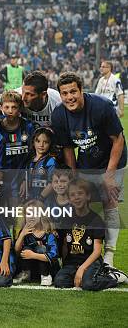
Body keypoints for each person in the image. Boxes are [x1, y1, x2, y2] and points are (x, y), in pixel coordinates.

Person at [51, 71, 126, 267]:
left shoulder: (102, 107)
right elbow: (68, 149)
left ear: (82, 90)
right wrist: (74, 177)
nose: (69, 97)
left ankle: (109, 256)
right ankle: (83, 253)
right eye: (65, 93)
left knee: (110, 202)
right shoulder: (59, 114)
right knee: (80, 202)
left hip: (113, 159)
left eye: (73, 92)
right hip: (87, 161)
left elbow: (118, 140)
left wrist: (110, 175)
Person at [54, 179, 126, 290]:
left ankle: (113, 276)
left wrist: (82, 268)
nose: (76, 197)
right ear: (69, 199)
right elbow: (64, 245)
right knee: (59, 281)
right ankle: (82, 276)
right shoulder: (66, 218)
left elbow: (97, 251)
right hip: (73, 262)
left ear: (88, 196)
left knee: (89, 284)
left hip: (91, 261)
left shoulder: (96, 220)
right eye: (72, 195)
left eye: (80, 193)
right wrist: (66, 266)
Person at [0, 90, 34, 205]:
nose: (10, 111)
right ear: (1, 107)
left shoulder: (28, 127)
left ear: (20, 108)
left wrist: (26, 179)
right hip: (0, 179)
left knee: (19, 215)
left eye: (14, 107)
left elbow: (34, 156)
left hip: (22, 178)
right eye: (6, 107)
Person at [14, 200, 58, 286]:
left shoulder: (49, 234)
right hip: (33, 269)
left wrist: (33, 255)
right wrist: (22, 234)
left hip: (48, 268)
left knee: (41, 248)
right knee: (26, 248)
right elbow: (17, 250)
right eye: (28, 214)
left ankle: (46, 276)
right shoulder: (24, 232)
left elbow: (54, 255)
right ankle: (26, 274)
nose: (31, 217)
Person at [22, 127, 57, 201]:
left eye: (46, 142)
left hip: (44, 201)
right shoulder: (29, 161)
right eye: (38, 141)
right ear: (33, 142)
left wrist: (40, 198)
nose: (41, 145)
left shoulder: (50, 161)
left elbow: (52, 183)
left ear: (50, 144)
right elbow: (26, 177)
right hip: (30, 199)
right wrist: (24, 181)